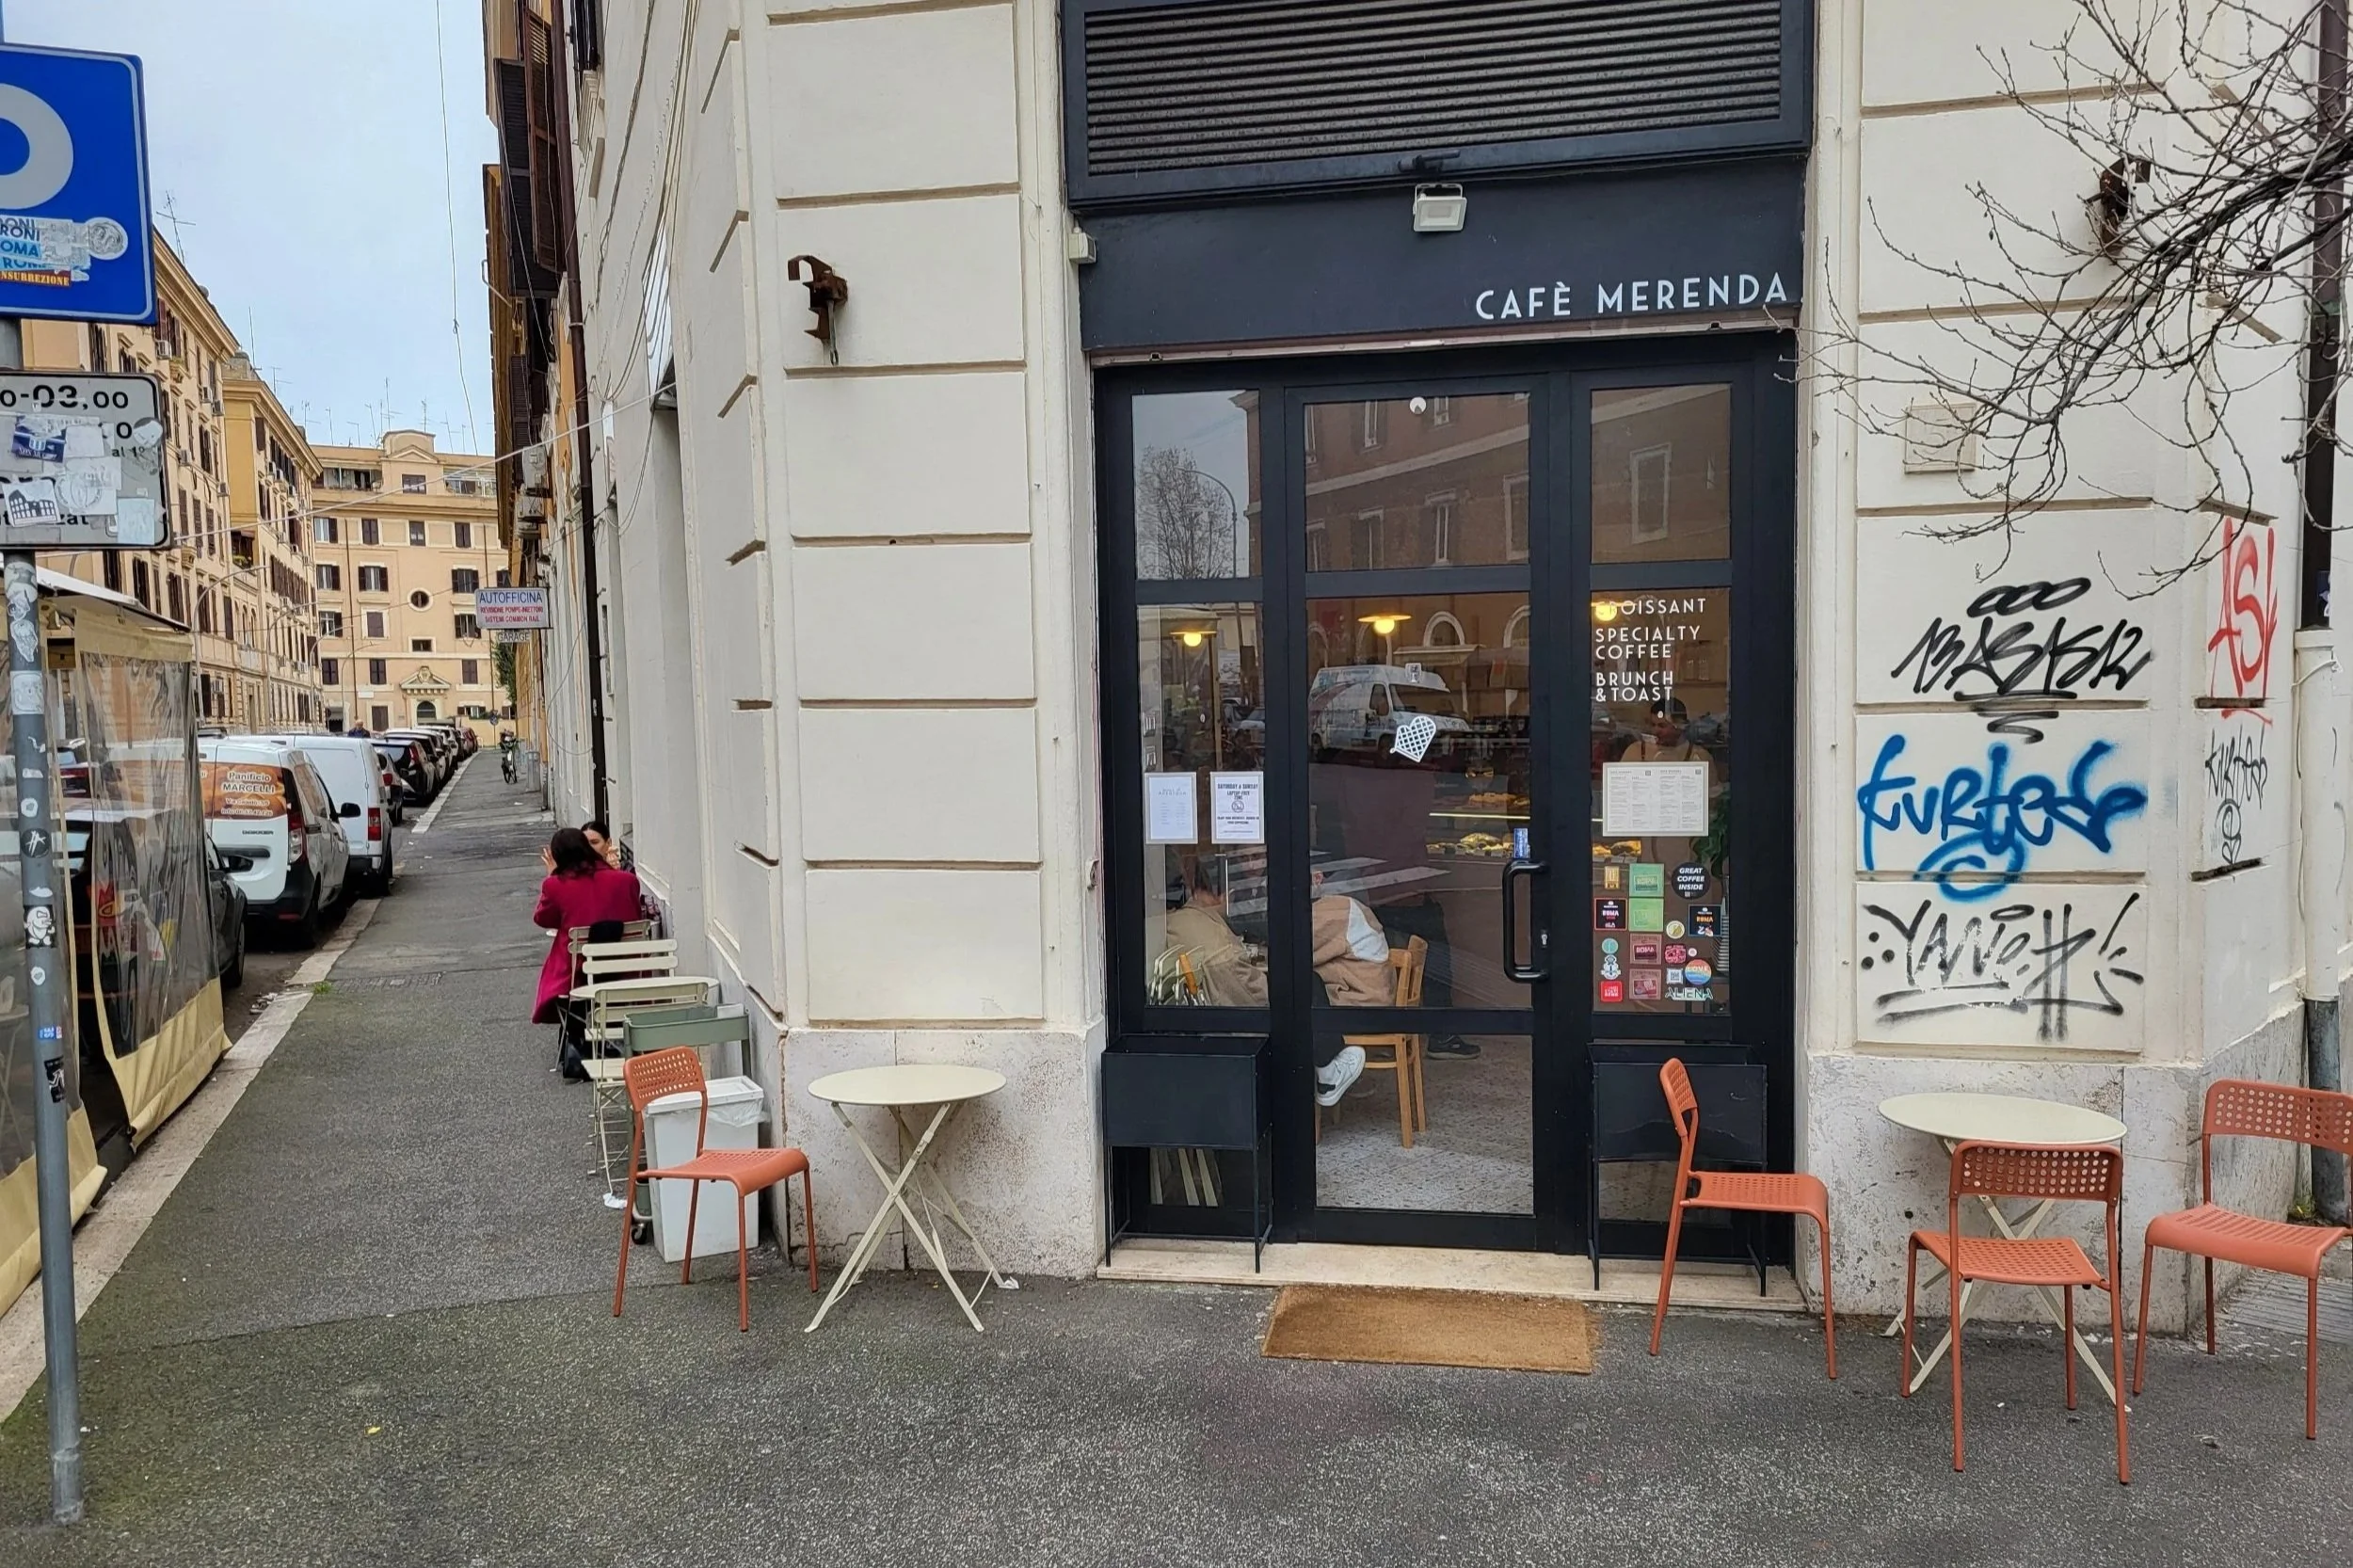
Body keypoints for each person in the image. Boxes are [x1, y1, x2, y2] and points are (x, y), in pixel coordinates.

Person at [1159, 856, 1369, 1106]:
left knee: (1305, 982)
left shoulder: (1176, 922)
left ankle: (1327, 1068)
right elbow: (1244, 982)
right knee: (1305, 983)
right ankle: (1328, 1072)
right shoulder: (1203, 923)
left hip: (1214, 1009)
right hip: (1241, 1009)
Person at [531, 826, 648, 1048]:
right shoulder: (626, 881)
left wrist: (552, 876)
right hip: (625, 966)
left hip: (578, 972)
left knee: (563, 952)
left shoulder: (556, 885)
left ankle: (576, 1040)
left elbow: (543, 918)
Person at [1622, 696, 1701, 762]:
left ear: (1680, 726)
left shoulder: (1699, 756)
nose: (1655, 731)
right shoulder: (1635, 752)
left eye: (1662, 726)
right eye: (1653, 725)